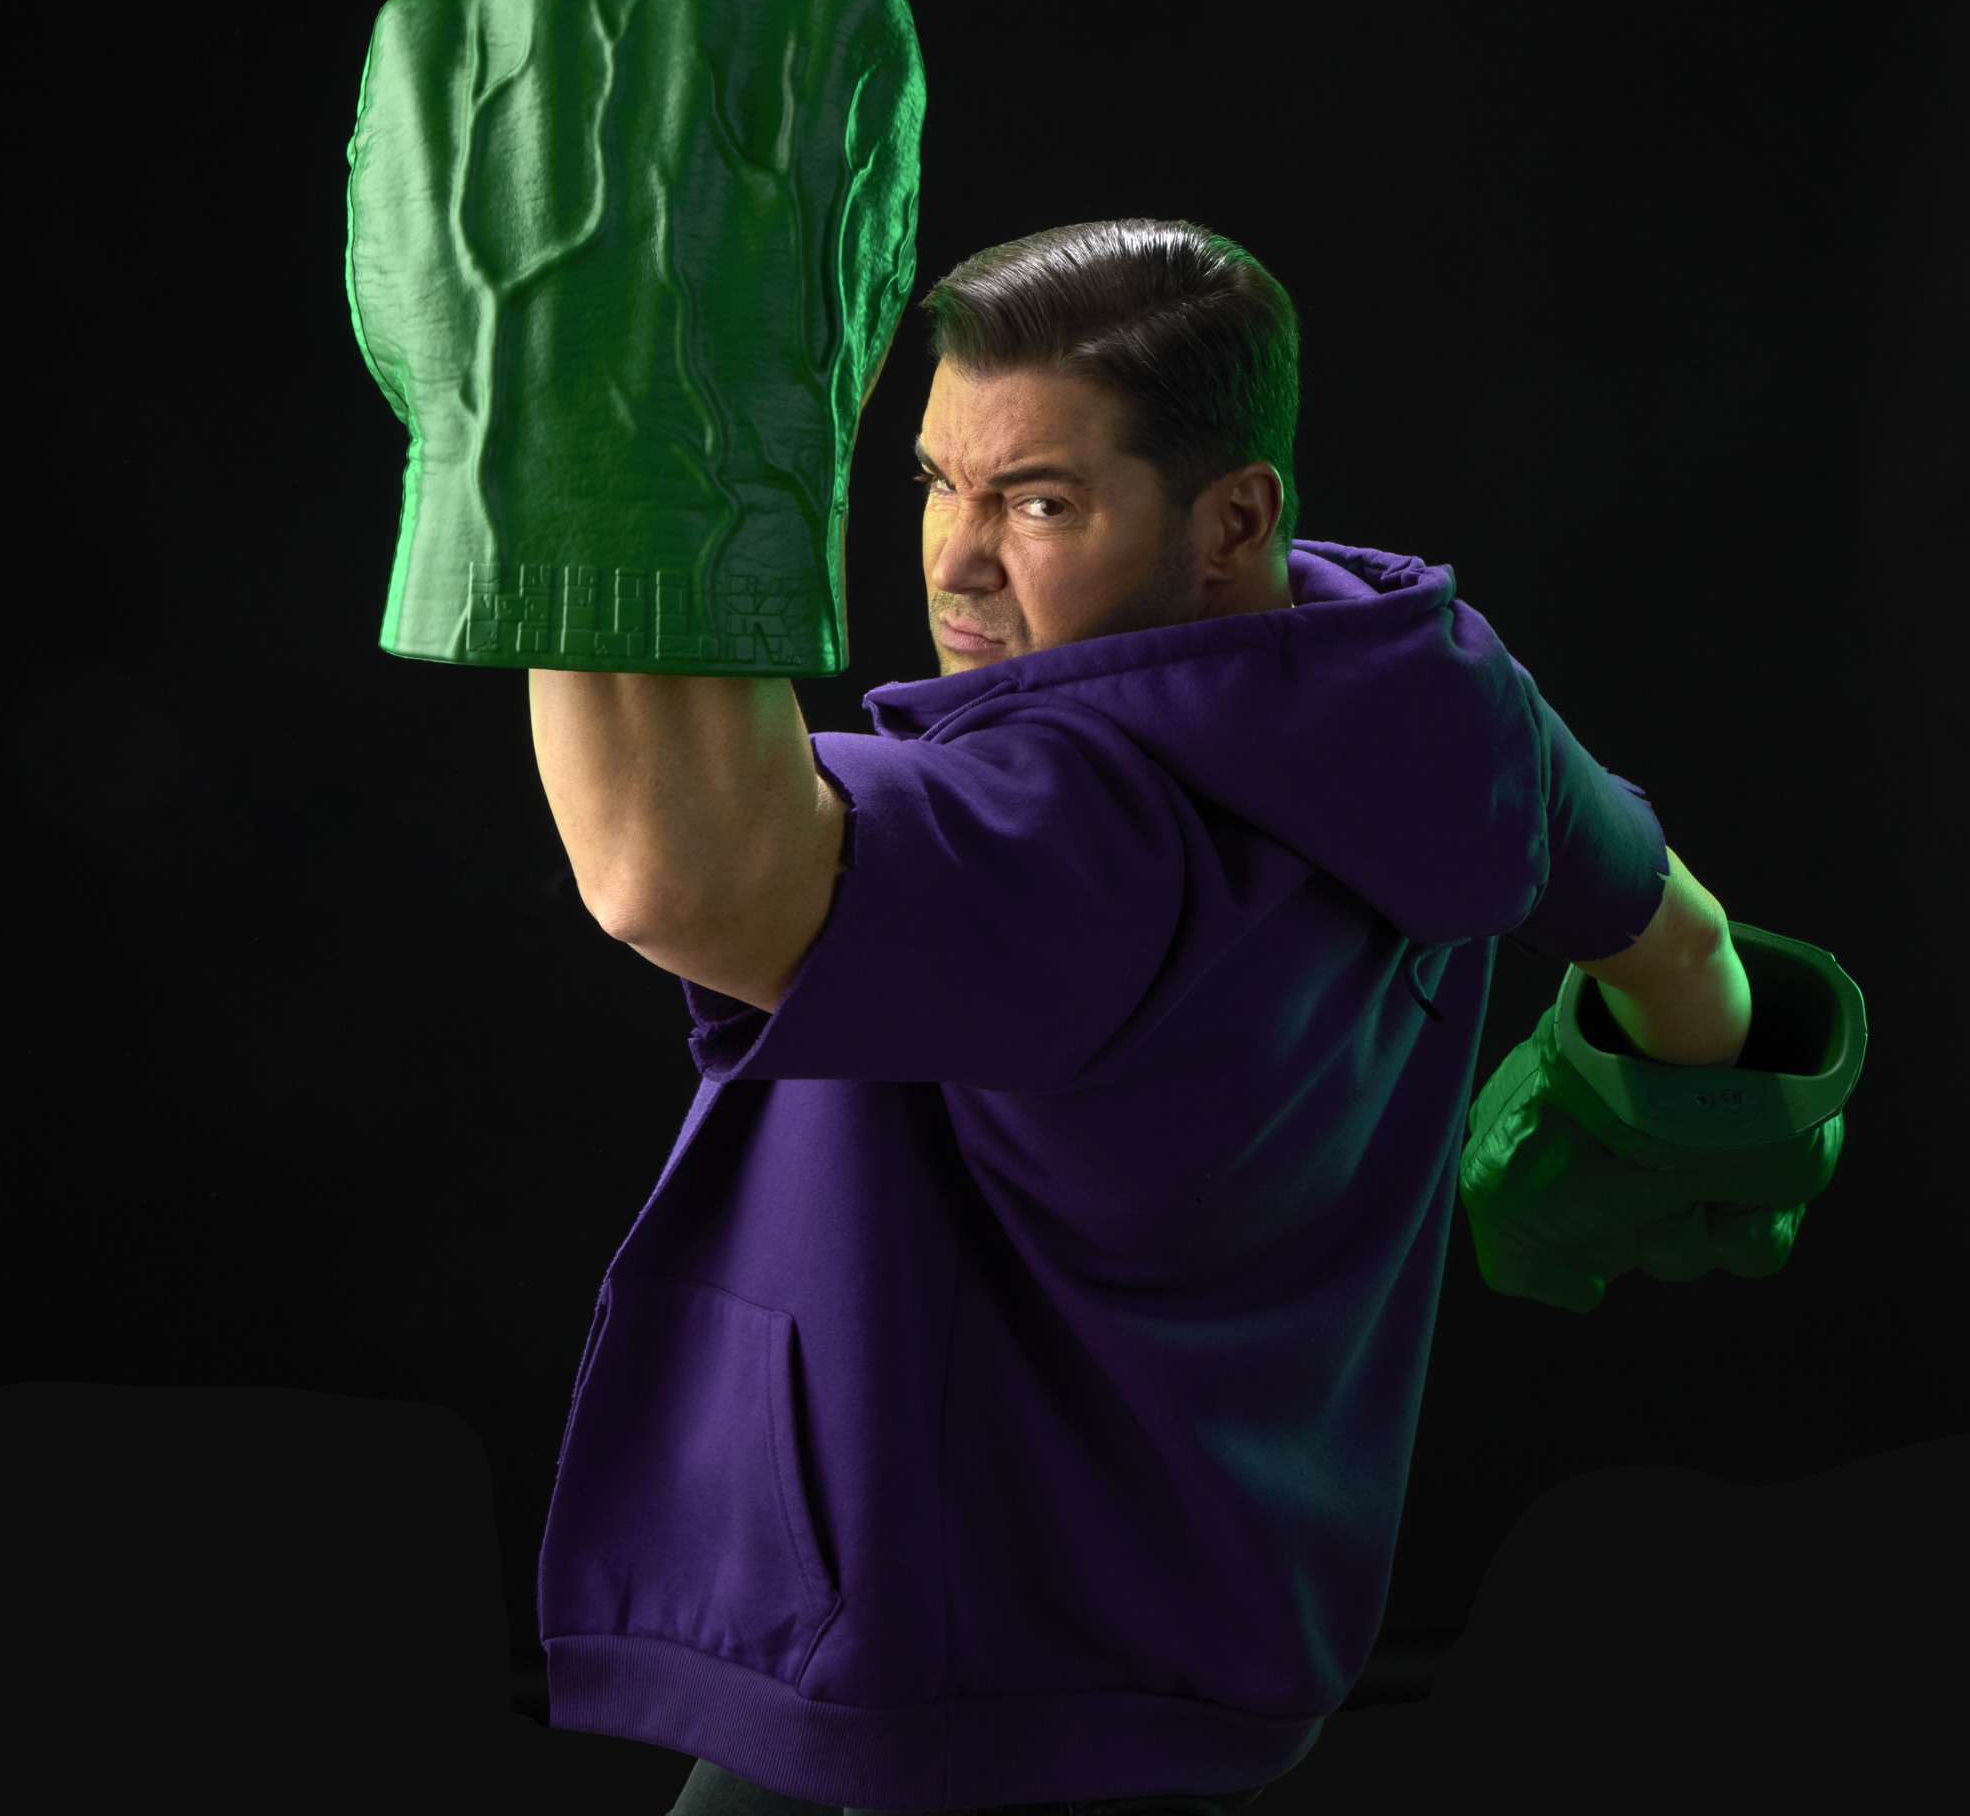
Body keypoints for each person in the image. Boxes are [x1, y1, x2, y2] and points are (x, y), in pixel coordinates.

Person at [525, 218, 1751, 1816]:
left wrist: (581, 430)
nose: (957, 561)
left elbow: (673, 876)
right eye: (932, 483)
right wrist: (1670, 1143)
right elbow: (1689, 948)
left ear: (1231, 516)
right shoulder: (1445, 697)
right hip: (1236, 1647)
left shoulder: (1083, 837)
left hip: (957, 1692)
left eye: (1040, 502)